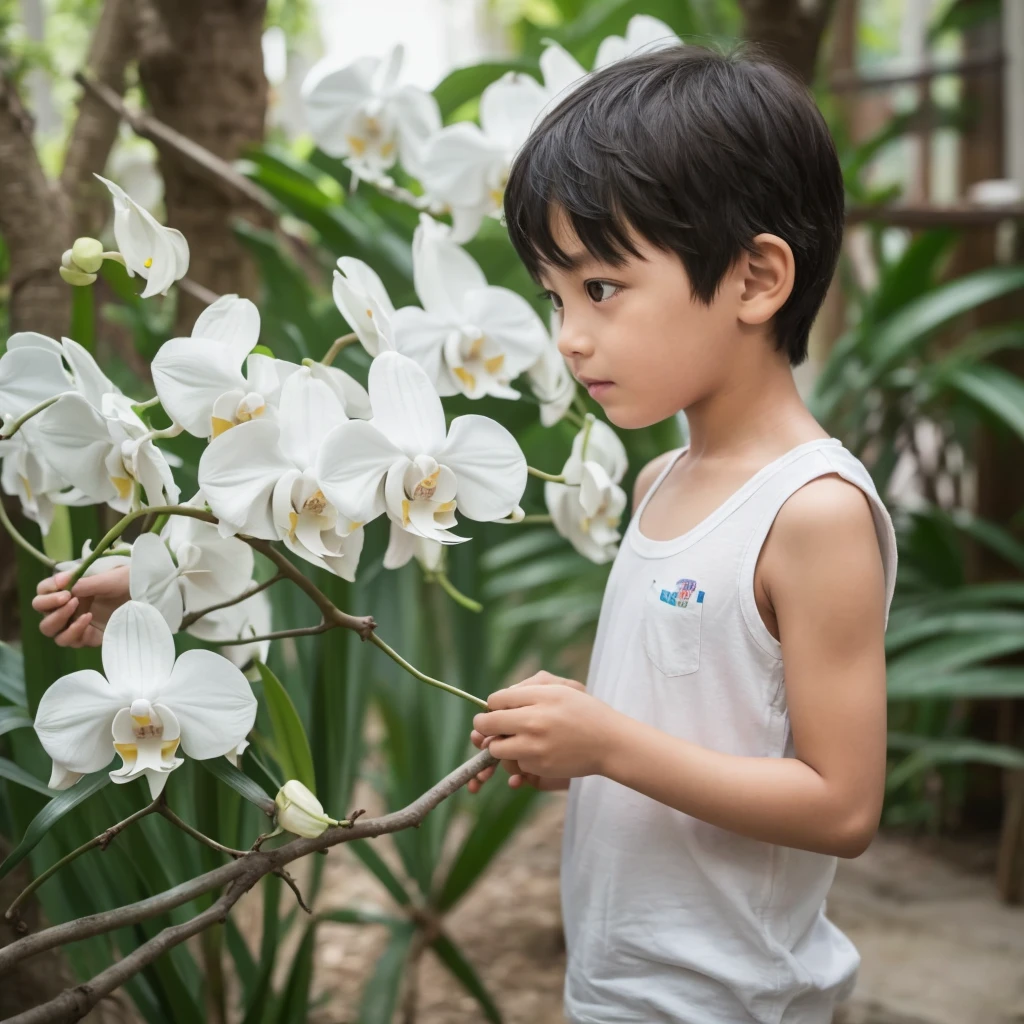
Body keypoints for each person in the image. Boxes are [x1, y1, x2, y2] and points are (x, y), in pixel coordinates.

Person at [466, 44, 897, 1024]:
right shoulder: (661, 481)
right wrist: (580, 734)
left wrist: (610, 744)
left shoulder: (813, 512)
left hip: (732, 1002)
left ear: (754, 278)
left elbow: (842, 805)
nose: (569, 335)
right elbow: (687, 726)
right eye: (556, 297)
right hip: (619, 987)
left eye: (601, 289)